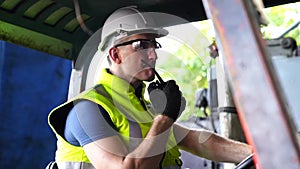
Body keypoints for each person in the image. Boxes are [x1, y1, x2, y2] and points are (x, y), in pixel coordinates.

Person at [48, 6, 253, 169]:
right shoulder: (88, 109)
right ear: (115, 55)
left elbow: (197, 141)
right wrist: (165, 118)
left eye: (154, 45)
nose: (153, 55)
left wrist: (260, 154)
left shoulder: (141, 109)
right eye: (141, 45)